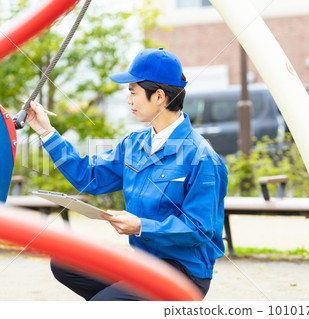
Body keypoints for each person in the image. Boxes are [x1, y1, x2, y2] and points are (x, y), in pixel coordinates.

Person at [27, 48, 228, 301]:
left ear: (158, 96)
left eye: (133, 92)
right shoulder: (134, 143)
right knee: (66, 263)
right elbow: (88, 176)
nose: (129, 100)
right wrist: (47, 133)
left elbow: (200, 230)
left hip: (182, 274)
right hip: (143, 264)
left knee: (105, 305)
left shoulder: (203, 158)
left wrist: (142, 226)